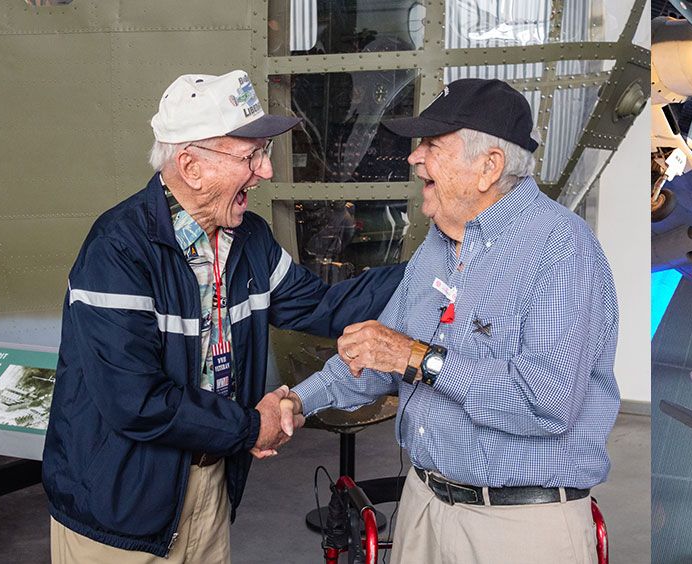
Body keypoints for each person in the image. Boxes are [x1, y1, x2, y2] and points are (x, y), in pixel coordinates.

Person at [42, 69, 401, 562]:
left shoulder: (248, 239)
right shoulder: (117, 250)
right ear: (191, 166)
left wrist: (427, 269)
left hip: (211, 488)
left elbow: (323, 306)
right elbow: (136, 401)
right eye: (250, 155)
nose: (266, 171)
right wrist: (252, 427)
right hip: (119, 515)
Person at [291, 78, 619, 564]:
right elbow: (382, 360)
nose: (413, 157)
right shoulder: (438, 244)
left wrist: (419, 358)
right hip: (424, 507)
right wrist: (297, 402)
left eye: (432, 145)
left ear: (490, 167)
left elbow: (547, 405)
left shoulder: (563, 250)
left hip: (516, 530)